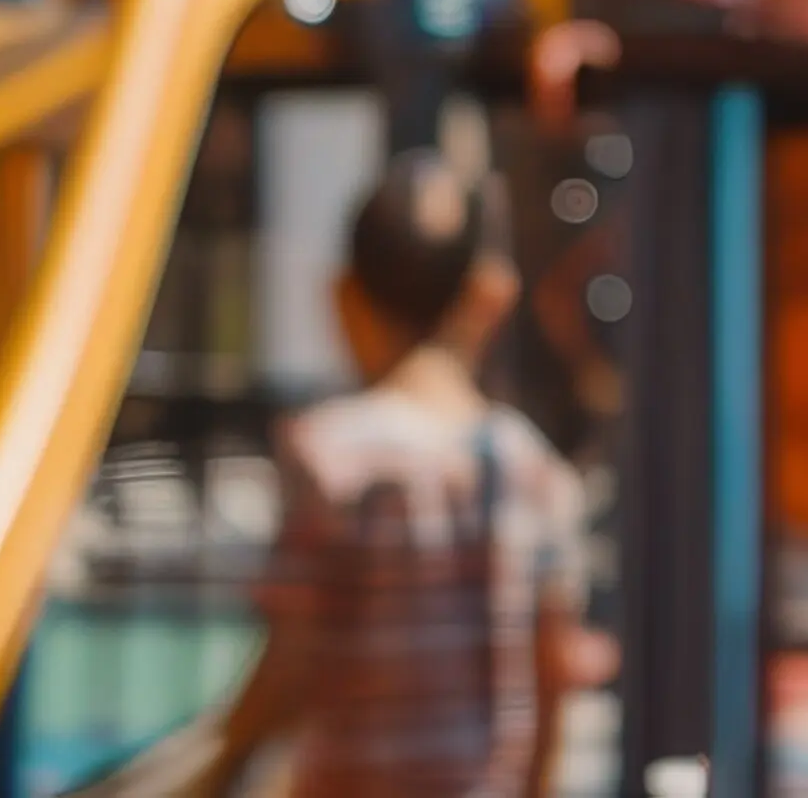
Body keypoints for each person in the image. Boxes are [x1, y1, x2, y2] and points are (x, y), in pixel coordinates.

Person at [213, 148, 595, 798]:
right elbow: (553, 672)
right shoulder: (532, 468)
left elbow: (292, 663)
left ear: (342, 296)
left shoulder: (328, 455)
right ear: (491, 296)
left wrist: (218, 764)